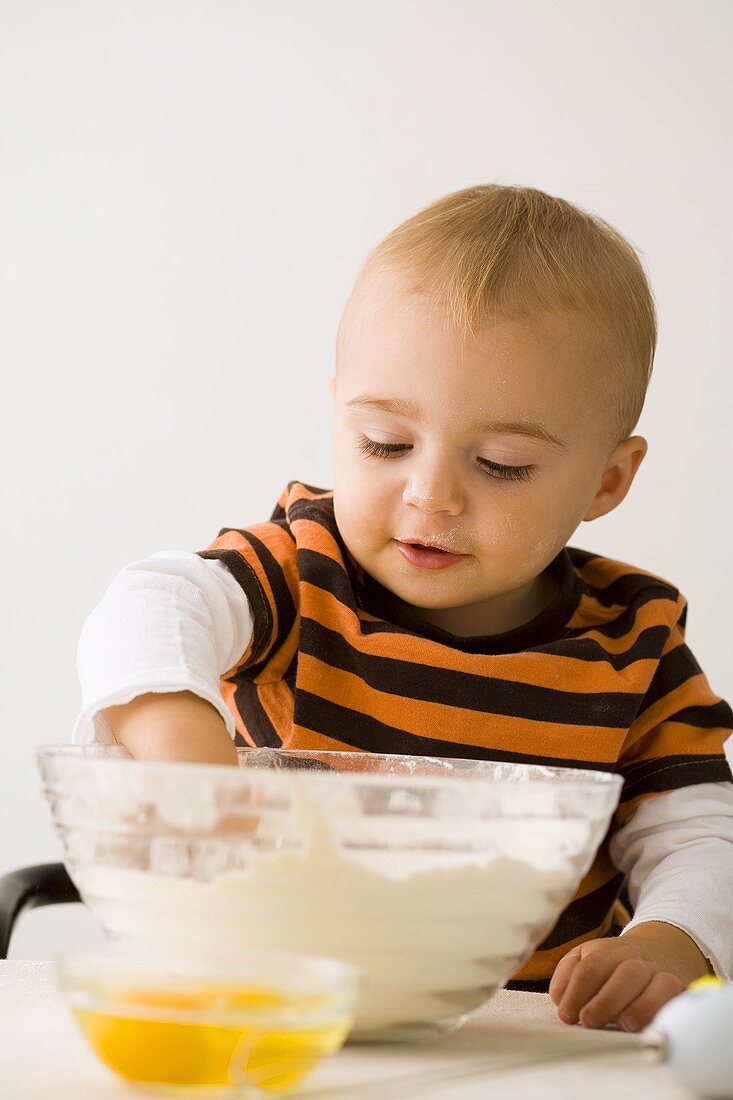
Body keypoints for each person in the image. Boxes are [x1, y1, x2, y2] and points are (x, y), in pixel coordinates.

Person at [74, 183, 733, 1033]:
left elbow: (699, 837)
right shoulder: (296, 571)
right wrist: (186, 764)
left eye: (500, 463)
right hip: (277, 1019)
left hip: (516, 1044)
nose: (430, 494)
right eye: (384, 443)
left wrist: (669, 944)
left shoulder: (632, 646)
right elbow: (148, 605)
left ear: (606, 480)